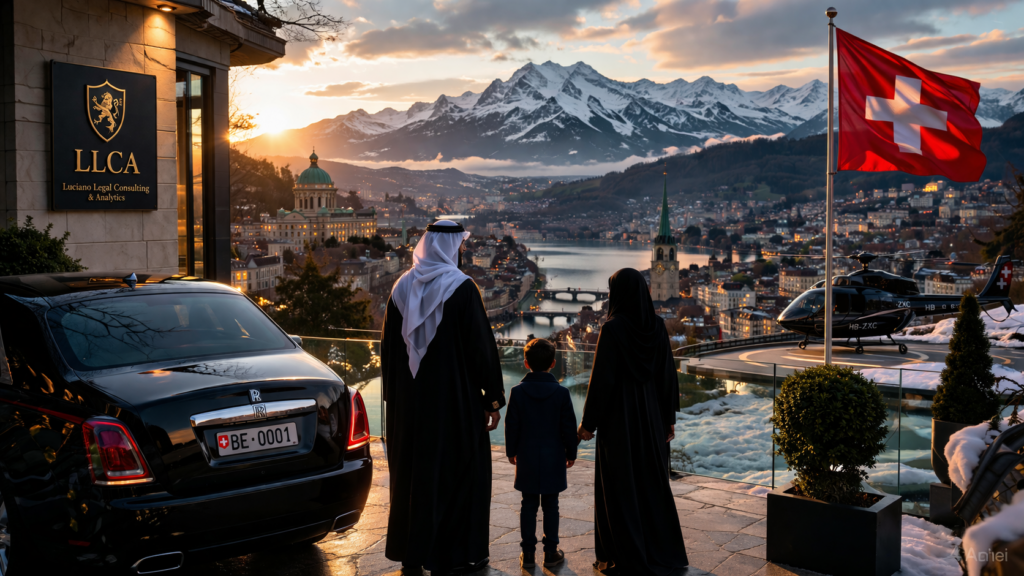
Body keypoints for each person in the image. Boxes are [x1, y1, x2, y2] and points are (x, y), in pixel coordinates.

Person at [381, 220, 506, 575]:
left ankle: (412, 551)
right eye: (461, 247)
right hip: (454, 403)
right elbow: (481, 348)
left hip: (409, 406)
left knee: (413, 474)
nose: (462, 253)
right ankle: (454, 553)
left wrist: (396, 401)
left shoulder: (400, 288)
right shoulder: (463, 289)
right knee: (457, 471)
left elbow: (389, 351)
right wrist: (492, 400)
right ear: (452, 248)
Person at [577, 268, 688, 575]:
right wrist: (669, 420)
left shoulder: (612, 329)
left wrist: (588, 423)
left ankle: (622, 553)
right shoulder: (657, 325)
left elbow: (602, 381)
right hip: (652, 418)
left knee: (620, 486)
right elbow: (667, 377)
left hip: (619, 421)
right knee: (652, 485)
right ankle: (659, 550)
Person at [504, 338, 579, 569]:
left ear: (526, 363)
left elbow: (511, 425)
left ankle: (527, 553)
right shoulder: (561, 393)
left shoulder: (517, 392)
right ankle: (551, 552)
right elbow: (568, 427)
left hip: (526, 456)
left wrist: (511, 451)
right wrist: (571, 452)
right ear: (553, 363)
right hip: (553, 456)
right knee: (551, 505)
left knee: (528, 504)